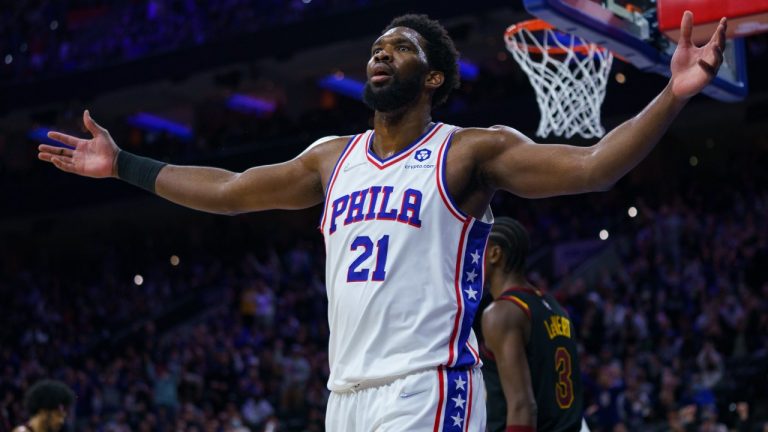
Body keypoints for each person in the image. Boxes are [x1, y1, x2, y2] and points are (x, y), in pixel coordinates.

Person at [38, 12, 727, 430]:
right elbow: (229, 190)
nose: (380, 53)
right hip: (346, 394)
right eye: (376, 46)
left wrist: (672, 93)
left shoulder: (467, 150)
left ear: (432, 79)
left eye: (399, 47)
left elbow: (592, 168)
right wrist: (122, 164)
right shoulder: (329, 158)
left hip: (425, 385)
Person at [480, 217, 585, 432]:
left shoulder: (501, 313)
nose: (469, 256)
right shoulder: (555, 307)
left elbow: (522, 405)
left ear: (494, 254)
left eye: (476, 247)